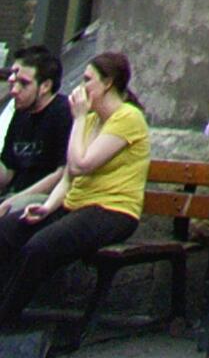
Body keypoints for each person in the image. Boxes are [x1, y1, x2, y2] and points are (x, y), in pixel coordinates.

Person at [0, 50, 149, 326]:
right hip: (76, 204)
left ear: (108, 83)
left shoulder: (128, 118)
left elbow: (82, 164)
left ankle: (6, 318)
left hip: (113, 210)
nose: (81, 87)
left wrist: (78, 118)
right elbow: (69, 176)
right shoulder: (91, 120)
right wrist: (46, 208)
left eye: (87, 80)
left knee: (39, 247)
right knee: (8, 230)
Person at [0, 49, 70, 214]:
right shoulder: (22, 111)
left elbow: (62, 174)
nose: (14, 90)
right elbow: (8, 172)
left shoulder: (64, 112)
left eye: (24, 84)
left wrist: (10, 202)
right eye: (14, 82)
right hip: (13, 194)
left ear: (45, 86)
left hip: (44, 199)